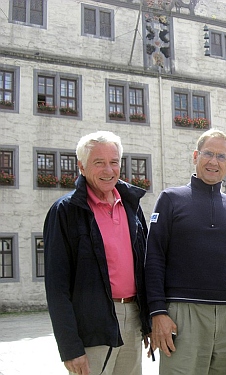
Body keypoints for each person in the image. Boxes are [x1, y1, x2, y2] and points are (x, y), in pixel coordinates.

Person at [43, 131, 150, 375]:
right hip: (91, 325)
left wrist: (148, 321)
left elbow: (144, 266)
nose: (108, 170)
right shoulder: (65, 211)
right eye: (98, 162)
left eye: (114, 162)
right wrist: (70, 348)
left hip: (132, 318)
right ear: (81, 166)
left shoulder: (131, 205)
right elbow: (56, 287)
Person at [145, 129, 226, 375]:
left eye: (221, 156)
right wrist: (158, 312)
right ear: (195, 156)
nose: (214, 161)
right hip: (183, 316)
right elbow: (154, 258)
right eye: (208, 154)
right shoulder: (170, 199)